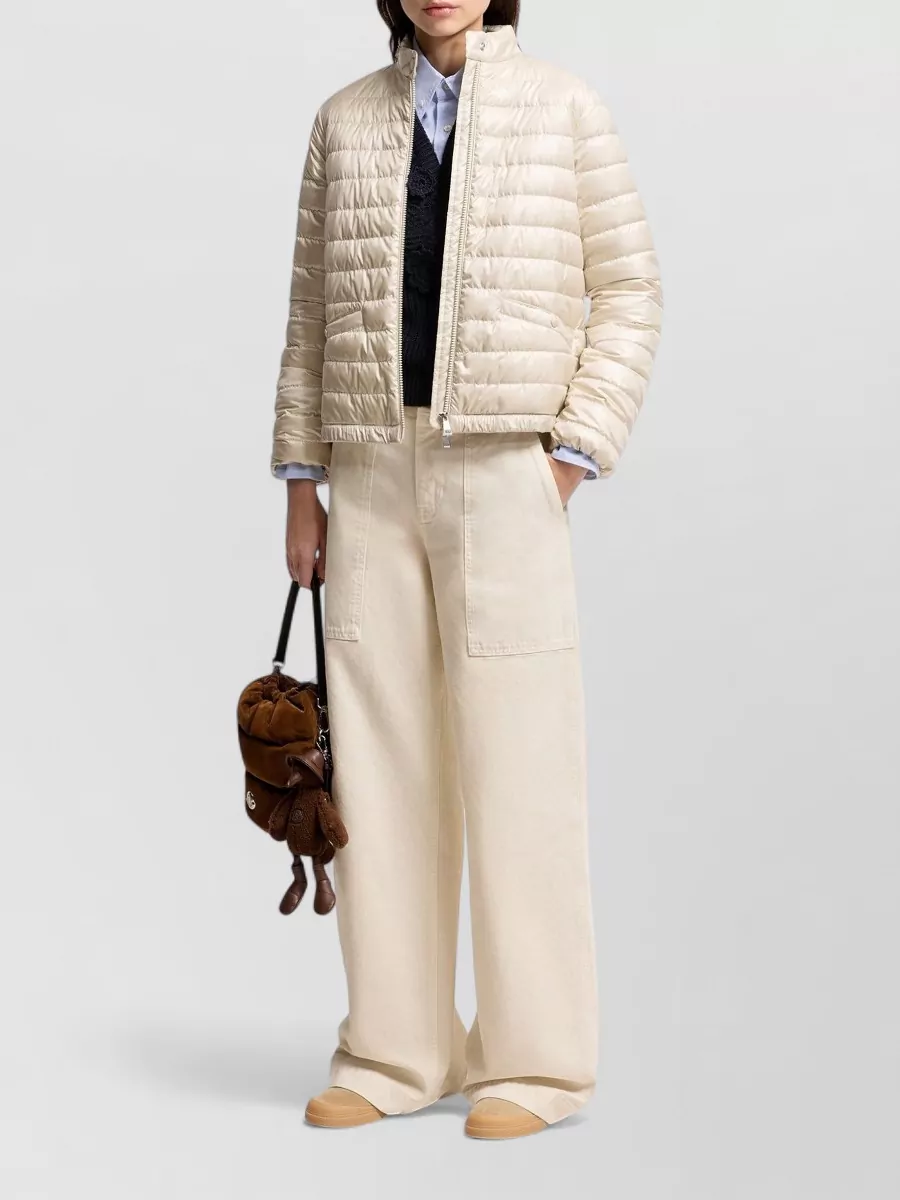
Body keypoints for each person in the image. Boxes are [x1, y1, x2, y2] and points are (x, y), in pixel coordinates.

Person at [270, 0, 662, 1140]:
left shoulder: (565, 107)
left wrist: (569, 457)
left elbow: (630, 292)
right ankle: (396, 1051)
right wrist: (302, 482)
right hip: (368, 469)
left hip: (503, 467)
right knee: (379, 765)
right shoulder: (344, 121)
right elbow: (309, 315)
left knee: (520, 764)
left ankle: (537, 1064)